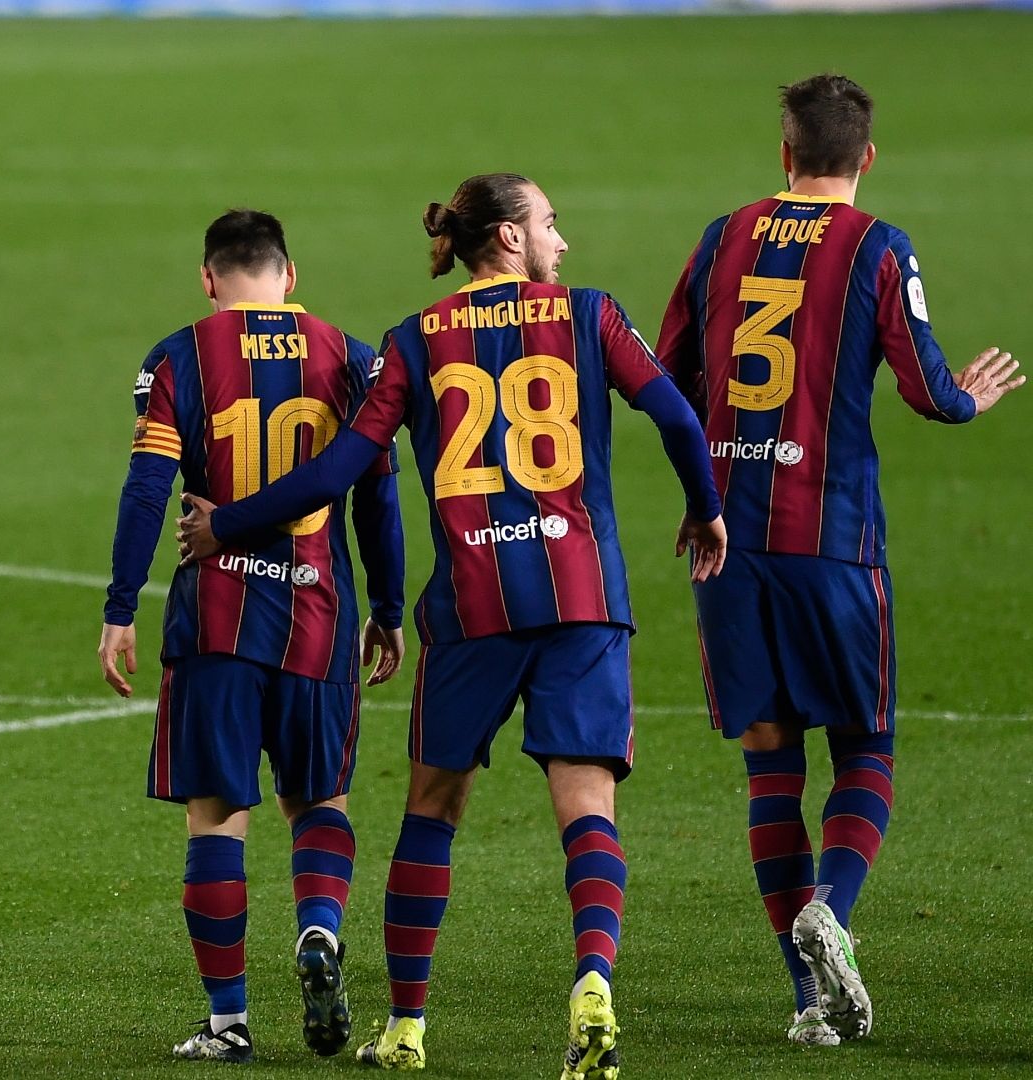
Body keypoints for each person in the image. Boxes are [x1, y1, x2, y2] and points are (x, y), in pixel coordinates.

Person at [178, 174, 727, 1079]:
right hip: (581, 597)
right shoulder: (589, 314)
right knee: (586, 806)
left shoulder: (412, 341)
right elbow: (674, 411)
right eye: (551, 221)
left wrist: (225, 524)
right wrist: (707, 509)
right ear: (509, 238)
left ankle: (406, 1027)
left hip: (471, 608)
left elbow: (343, 470)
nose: (563, 237)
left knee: (431, 811)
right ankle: (593, 976)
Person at [655, 73, 1023, 1047]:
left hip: (728, 541)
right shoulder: (877, 245)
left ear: (784, 154)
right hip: (833, 543)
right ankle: (836, 910)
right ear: (865, 158)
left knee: (770, 766)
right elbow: (926, 387)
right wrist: (970, 400)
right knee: (865, 749)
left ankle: (810, 1000)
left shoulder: (721, 237)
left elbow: (668, 371)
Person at [97, 209, 404, 1064]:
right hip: (321, 615)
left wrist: (121, 606)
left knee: (216, 818)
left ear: (208, 278)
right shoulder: (350, 357)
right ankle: (318, 930)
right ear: (289, 274)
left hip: (215, 622)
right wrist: (388, 606)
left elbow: (147, 487)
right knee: (320, 802)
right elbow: (377, 495)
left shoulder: (178, 356)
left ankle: (229, 1021)